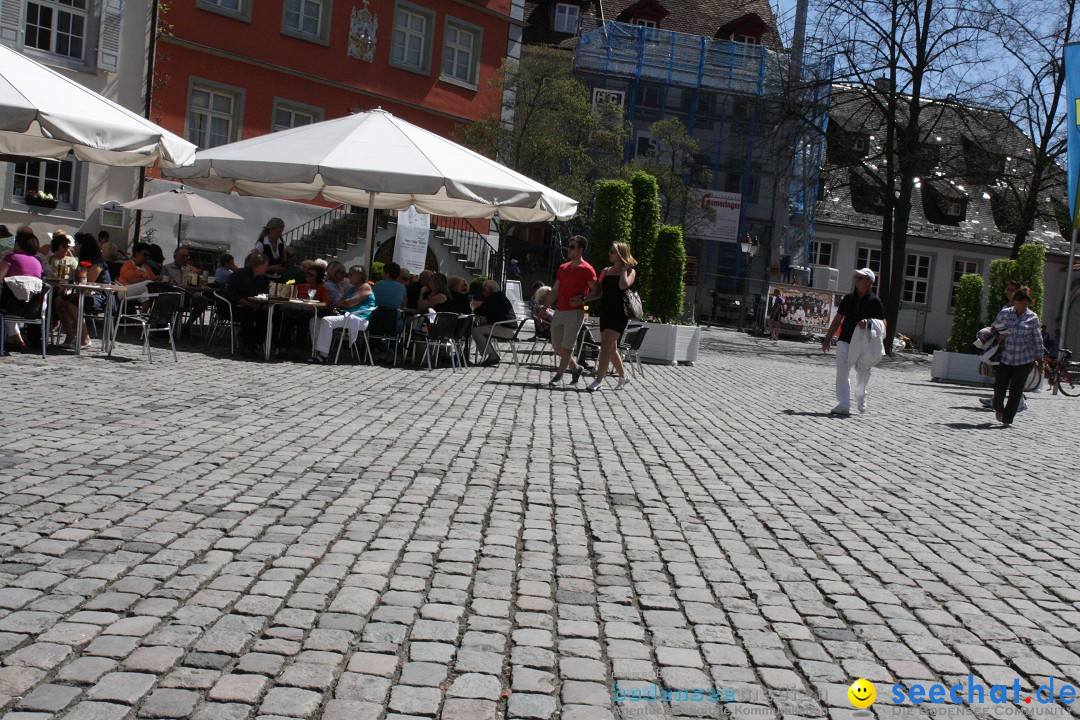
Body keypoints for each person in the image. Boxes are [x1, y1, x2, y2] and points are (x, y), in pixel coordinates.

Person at [822, 267, 885, 415]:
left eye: (861, 277)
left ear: (870, 282)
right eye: (857, 277)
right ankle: (844, 404)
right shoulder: (848, 299)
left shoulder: (875, 301)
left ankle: (861, 395)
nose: (857, 279)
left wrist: (869, 323)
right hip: (845, 339)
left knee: (862, 372)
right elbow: (838, 319)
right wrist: (828, 338)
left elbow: (883, 324)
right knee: (842, 372)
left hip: (864, 344)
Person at [540, 235, 596, 386]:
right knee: (557, 345)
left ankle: (558, 376)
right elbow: (555, 290)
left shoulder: (587, 269)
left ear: (580, 250)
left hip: (575, 313)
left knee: (567, 346)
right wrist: (544, 307)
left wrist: (582, 299)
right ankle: (575, 367)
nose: (568, 249)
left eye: (572, 247)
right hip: (560, 311)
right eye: (568, 245)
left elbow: (596, 292)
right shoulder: (563, 268)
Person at [583, 242, 637, 392]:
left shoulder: (630, 272)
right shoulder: (605, 271)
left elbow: (623, 285)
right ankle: (623, 376)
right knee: (611, 349)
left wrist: (624, 269)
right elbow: (599, 292)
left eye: (612, 251)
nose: (610, 254)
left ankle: (599, 380)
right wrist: (584, 299)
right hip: (606, 311)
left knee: (606, 345)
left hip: (620, 313)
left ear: (620, 254)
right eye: (610, 251)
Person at [991, 286, 1042, 427]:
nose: (1022, 306)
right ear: (1015, 301)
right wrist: (1000, 335)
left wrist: (1039, 358)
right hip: (1005, 357)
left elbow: (1037, 339)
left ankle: (1008, 419)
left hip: (1023, 359)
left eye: (1026, 303)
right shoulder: (1005, 313)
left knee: (1016, 390)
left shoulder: (1032, 317)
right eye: (1020, 302)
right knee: (999, 387)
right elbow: (994, 327)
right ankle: (998, 407)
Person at [53, 234, 112, 349]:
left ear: (83, 246)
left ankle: (85, 338)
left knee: (70, 305)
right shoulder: (82, 262)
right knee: (58, 301)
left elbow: (88, 282)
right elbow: (77, 281)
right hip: (84, 294)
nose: (74, 247)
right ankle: (70, 336)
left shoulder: (97, 263)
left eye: (76, 244)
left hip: (100, 296)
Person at [311, 266, 376, 363]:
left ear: (358, 276)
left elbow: (351, 303)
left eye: (350, 274)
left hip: (359, 319)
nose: (347, 276)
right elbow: (341, 302)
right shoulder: (351, 289)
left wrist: (343, 303)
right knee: (315, 320)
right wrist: (343, 302)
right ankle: (318, 352)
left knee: (326, 320)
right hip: (348, 316)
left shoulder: (365, 287)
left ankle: (324, 356)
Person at [1, 227, 44, 350]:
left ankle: (11, 340)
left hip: (12, 305)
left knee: (6, 304)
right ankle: (14, 340)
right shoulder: (37, 262)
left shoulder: (11, 258)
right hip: (34, 307)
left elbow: (0, 277)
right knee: (10, 302)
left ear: (19, 245)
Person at [278, 265, 331, 358]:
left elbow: (326, 303)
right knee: (287, 319)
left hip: (310, 312)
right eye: (307, 274)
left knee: (303, 321)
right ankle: (283, 348)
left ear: (317, 277)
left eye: (311, 275)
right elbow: (292, 298)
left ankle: (299, 350)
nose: (308, 276)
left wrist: (315, 306)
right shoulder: (300, 286)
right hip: (297, 309)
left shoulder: (322, 289)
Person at [226, 252, 271, 357]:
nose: (267, 268)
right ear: (259, 266)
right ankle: (247, 345)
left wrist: (261, 304)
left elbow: (263, 294)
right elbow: (231, 294)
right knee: (248, 313)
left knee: (268, 316)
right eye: (266, 266)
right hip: (236, 306)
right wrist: (248, 303)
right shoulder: (239, 274)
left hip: (254, 306)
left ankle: (255, 342)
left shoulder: (261, 279)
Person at [471, 279, 517, 367]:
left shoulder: (493, 298)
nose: (482, 292)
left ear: (489, 289)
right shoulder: (499, 296)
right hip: (510, 329)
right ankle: (489, 354)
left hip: (505, 329)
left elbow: (479, 311)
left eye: (484, 290)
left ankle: (492, 356)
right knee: (479, 330)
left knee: (475, 331)